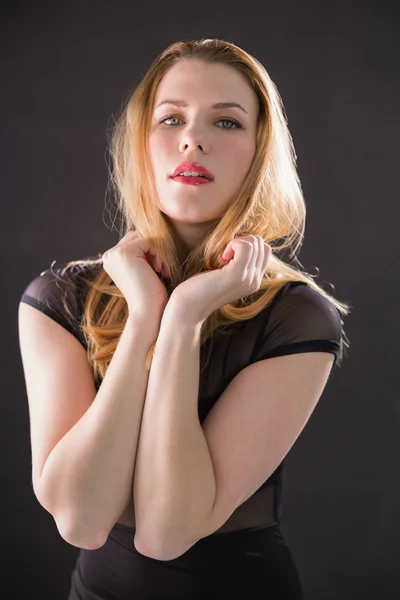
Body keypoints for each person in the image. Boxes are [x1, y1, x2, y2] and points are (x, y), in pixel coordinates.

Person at [18, 38, 351, 599]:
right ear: (141, 144)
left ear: (259, 150)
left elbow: (166, 533)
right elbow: (79, 518)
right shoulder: (60, 298)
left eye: (226, 123)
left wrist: (182, 319)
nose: (193, 139)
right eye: (171, 118)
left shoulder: (297, 317)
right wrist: (145, 313)